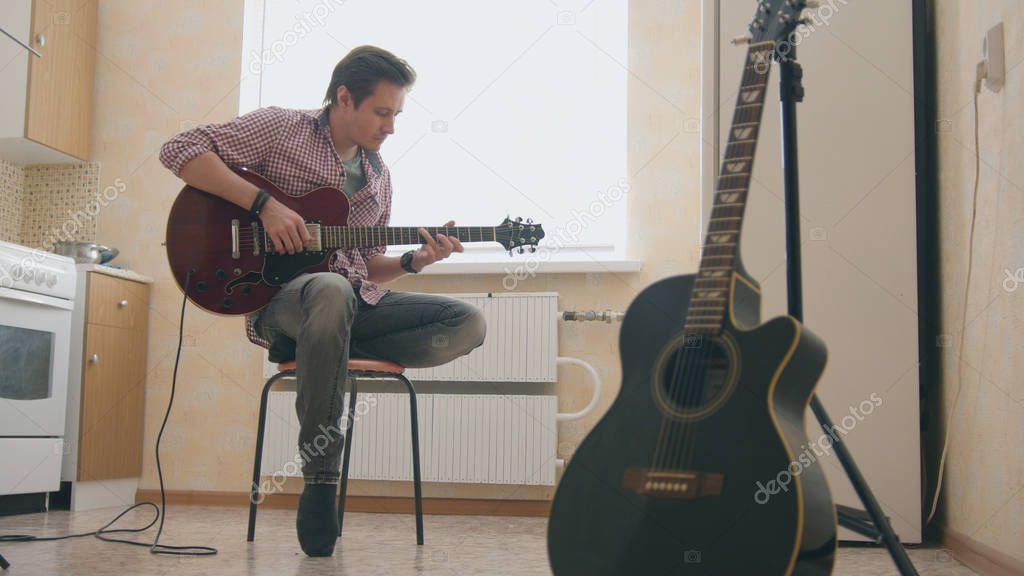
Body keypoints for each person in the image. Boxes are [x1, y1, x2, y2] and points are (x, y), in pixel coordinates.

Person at [159, 45, 486, 557]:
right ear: (343, 98)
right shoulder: (281, 127)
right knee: (330, 291)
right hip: (280, 304)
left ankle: (325, 344)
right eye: (382, 112)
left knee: (465, 322)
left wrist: (413, 263)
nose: (391, 127)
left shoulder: (380, 179)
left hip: (349, 302)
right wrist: (264, 205)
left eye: (397, 115)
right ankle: (320, 479)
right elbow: (180, 149)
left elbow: (367, 262)